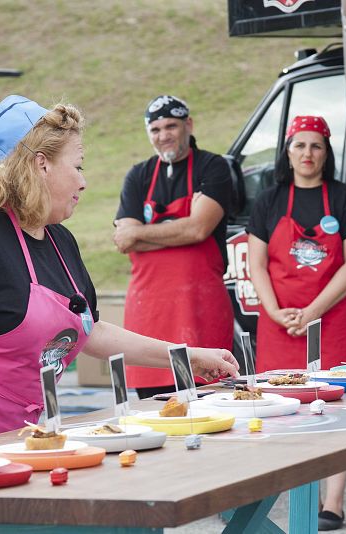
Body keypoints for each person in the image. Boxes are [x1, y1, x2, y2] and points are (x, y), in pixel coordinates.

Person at [0, 95, 238, 458]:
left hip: (22, 439)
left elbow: (91, 332)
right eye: (78, 166)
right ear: (41, 165)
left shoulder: (58, 240)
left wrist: (187, 358)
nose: (84, 182)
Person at [247, 116, 346, 531]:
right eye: (299, 146)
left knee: (339, 406)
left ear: (326, 152)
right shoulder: (268, 201)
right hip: (279, 321)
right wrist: (276, 310)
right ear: (288, 151)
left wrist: (314, 310)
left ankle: (332, 504)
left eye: (315, 146)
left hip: (331, 318)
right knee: (283, 408)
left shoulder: (345, 198)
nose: (307, 154)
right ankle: (302, 494)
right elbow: (257, 266)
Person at [113, 95, 234, 399]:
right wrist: (178, 230)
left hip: (200, 308)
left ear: (188, 125)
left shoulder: (213, 167)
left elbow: (199, 228)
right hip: (150, 312)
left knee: (212, 405)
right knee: (155, 412)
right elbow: (124, 240)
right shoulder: (138, 175)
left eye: (171, 126)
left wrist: (143, 233)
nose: (163, 135)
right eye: (155, 129)